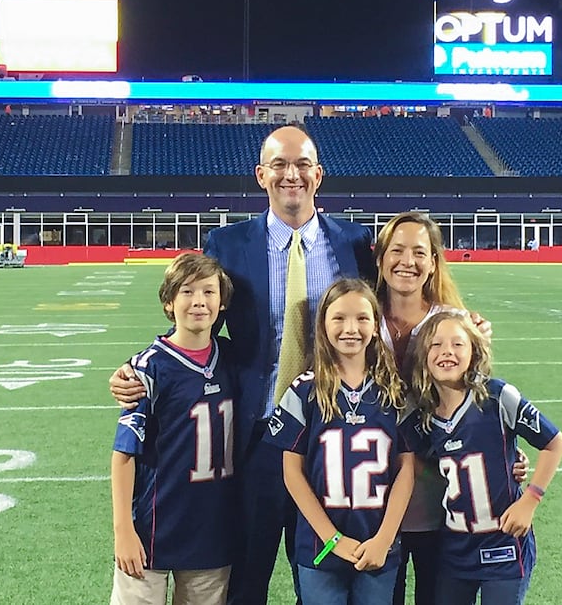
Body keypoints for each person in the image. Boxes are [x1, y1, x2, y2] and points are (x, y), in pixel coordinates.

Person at [112, 125, 375, 605]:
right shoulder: (227, 245)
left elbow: (390, 317)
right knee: (245, 580)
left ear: (319, 175)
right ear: (261, 175)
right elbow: (197, 322)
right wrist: (138, 369)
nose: (290, 175)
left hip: (330, 439)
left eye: (301, 165)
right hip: (254, 439)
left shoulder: (357, 244)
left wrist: (459, 322)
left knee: (322, 582)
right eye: (279, 165)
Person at [375, 211, 522, 605]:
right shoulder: (359, 318)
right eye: (397, 250)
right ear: (380, 257)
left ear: (434, 262)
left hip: (437, 499)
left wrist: (507, 453)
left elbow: (480, 406)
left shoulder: (454, 324)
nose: (408, 261)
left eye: (419, 252)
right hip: (370, 493)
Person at [266, 279, 415, 604]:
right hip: (320, 546)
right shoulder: (304, 391)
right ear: (323, 325)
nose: (351, 328)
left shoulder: (394, 393)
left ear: (376, 327)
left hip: (378, 543)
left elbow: (407, 471)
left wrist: (385, 538)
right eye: (339, 318)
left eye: (362, 318)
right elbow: (292, 473)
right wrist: (332, 539)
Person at [402, 312, 562, 605]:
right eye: (436, 345)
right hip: (455, 548)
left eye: (457, 344)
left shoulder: (496, 396)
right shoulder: (425, 416)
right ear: (422, 357)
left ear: (474, 351)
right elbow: (419, 463)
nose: (446, 352)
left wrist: (530, 499)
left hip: (502, 544)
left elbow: (554, 443)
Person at [111, 252, 239, 605]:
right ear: (169, 302)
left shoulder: (231, 358)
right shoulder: (149, 369)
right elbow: (123, 455)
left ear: (222, 301)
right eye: (187, 291)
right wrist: (123, 531)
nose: (199, 301)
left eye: (208, 292)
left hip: (212, 528)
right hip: (154, 527)